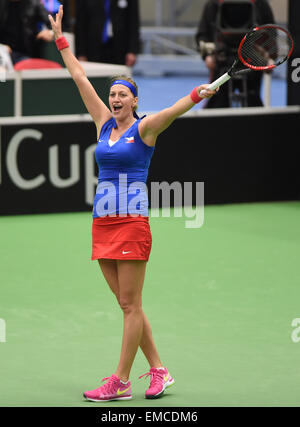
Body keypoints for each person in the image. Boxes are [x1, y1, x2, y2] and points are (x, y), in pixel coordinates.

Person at [49, 5, 216, 402]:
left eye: (123, 94)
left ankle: (120, 381)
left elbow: (175, 110)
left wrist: (197, 93)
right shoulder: (103, 123)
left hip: (131, 222)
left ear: (135, 100)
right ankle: (159, 371)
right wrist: (61, 42)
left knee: (130, 305)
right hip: (101, 223)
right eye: (113, 94)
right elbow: (78, 77)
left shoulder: (145, 128)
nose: (115, 98)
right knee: (128, 306)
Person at [195, 0, 275, 108]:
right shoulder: (213, 3)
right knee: (217, 104)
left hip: (253, 59)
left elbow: (270, 32)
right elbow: (202, 34)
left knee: (253, 102)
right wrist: (207, 56)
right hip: (222, 58)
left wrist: (270, 57)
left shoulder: (260, 3)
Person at [74, 0, 140, 67]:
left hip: (121, 48)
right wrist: (81, 53)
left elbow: (133, 22)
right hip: (92, 48)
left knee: (119, 76)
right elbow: (80, 25)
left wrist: (132, 50)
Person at [0, 0, 54, 65]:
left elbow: (53, 22)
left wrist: (50, 32)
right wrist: (2, 47)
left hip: (28, 53)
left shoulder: (34, 2)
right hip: (3, 53)